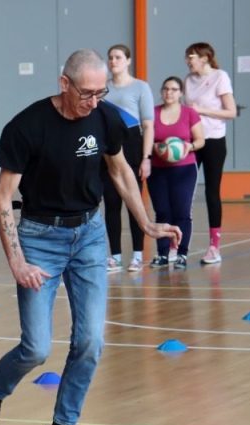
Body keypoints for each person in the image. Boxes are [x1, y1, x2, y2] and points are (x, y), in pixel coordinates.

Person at [0, 49, 180, 425]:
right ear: (64, 84)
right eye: (86, 93)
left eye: (101, 93)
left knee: (90, 341)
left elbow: (120, 171)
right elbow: (3, 197)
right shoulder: (27, 126)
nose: (94, 102)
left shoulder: (105, 117)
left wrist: (147, 224)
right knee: (36, 348)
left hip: (90, 236)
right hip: (39, 238)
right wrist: (17, 262)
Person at [101, 45, 154, 273]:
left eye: (118, 57)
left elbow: (148, 125)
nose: (113, 61)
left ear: (128, 61)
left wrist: (146, 157)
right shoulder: (102, 89)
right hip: (108, 150)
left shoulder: (141, 87)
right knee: (111, 204)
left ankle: (138, 256)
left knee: (134, 203)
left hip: (133, 148)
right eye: (110, 57)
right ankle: (115, 257)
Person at [184, 42, 236, 265]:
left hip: (214, 141)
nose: (187, 61)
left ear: (204, 58)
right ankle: (178, 244)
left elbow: (231, 112)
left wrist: (201, 110)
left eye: (191, 57)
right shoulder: (188, 80)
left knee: (211, 192)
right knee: (185, 191)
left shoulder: (220, 77)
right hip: (193, 141)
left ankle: (214, 247)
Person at [148, 76, 204, 269]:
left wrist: (190, 146)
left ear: (181, 93)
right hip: (158, 169)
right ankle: (162, 254)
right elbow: (146, 138)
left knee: (182, 212)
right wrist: (155, 147)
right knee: (162, 211)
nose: (169, 92)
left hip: (184, 169)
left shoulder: (189, 113)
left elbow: (200, 140)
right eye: (165, 89)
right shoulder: (153, 113)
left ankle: (181, 254)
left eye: (173, 89)